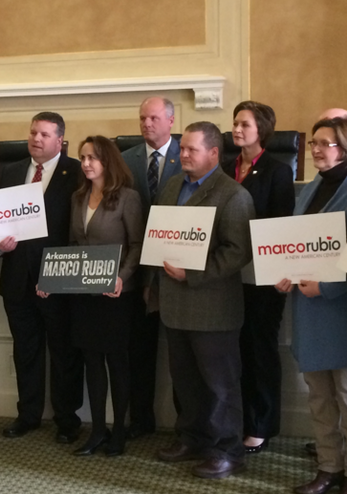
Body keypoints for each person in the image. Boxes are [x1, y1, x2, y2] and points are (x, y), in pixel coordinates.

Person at [155, 122, 254, 479]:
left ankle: (227, 449)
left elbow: (238, 251)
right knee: (186, 380)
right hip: (174, 304)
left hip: (213, 308)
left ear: (214, 153)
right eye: (182, 149)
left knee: (220, 384)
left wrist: (192, 273)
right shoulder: (170, 186)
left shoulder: (232, 195)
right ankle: (192, 438)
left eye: (191, 150)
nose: (183, 155)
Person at [39, 136, 143, 457]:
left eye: (92, 158)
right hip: (83, 295)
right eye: (83, 157)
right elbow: (72, 246)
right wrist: (51, 280)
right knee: (92, 363)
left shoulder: (128, 198)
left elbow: (138, 246)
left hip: (115, 296)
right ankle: (98, 431)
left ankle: (119, 434)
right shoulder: (78, 197)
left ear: (107, 161)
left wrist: (121, 278)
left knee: (117, 363)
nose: (85, 163)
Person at [0, 112, 85, 443]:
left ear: (60, 140)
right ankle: (28, 415)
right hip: (17, 278)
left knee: (64, 353)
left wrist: (55, 276)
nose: (36, 139)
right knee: (26, 351)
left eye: (45, 134)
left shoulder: (76, 172)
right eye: (34, 132)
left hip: (58, 280)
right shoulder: (11, 171)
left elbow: (79, 229)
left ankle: (67, 419)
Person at [276, 117, 347, 494]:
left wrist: (329, 287)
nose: (317, 150)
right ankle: (330, 468)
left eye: (327, 144)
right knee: (319, 399)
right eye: (314, 143)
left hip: (340, 309)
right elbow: (295, 239)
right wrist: (282, 270)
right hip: (309, 309)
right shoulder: (312, 187)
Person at [221, 101, 295, 454]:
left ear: (261, 129)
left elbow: (282, 224)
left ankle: (261, 425)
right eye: (235, 123)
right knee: (233, 353)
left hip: (264, 277)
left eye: (244, 124)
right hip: (228, 275)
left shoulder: (277, 170)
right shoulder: (224, 167)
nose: (236, 129)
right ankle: (237, 421)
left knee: (259, 351)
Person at [120, 97, 182, 439]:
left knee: (183, 358)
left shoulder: (186, 156)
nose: (146, 124)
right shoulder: (126, 160)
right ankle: (140, 420)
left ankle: (186, 427)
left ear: (171, 121)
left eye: (154, 118)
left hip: (178, 271)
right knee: (139, 353)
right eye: (142, 118)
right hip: (139, 271)